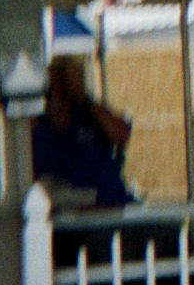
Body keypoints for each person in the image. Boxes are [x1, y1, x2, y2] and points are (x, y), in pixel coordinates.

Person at [33, 56, 137, 208]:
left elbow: (121, 136)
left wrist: (83, 97)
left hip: (108, 204)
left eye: (62, 81)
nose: (56, 89)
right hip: (62, 215)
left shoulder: (90, 114)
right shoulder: (37, 127)